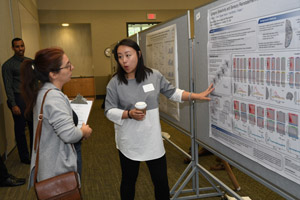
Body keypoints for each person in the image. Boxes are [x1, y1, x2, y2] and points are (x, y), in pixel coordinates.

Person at [105, 39, 214, 200]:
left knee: (161, 182)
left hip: (152, 140)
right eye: (120, 57)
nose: (124, 61)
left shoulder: (153, 75)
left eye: (128, 55)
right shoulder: (115, 83)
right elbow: (109, 111)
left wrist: (195, 96)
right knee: (129, 181)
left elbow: (172, 92)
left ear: (139, 54)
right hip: (129, 142)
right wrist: (128, 114)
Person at [20, 47, 92, 187]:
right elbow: (69, 135)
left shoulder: (44, 91)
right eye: (68, 65)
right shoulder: (53, 97)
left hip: (49, 162)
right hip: (57, 167)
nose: (73, 67)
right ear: (53, 74)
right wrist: (84, 131)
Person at [1, 38, 33, 164]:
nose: (20, 49)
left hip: (30, 98)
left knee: (33, 128)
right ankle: (24, 157)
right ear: (13, 48)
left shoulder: (30, 62)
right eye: (17, 46)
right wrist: (13, 104)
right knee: (20, 130)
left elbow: (34, 81)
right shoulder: (7, 65)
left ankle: (35, 154)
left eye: (22, 46)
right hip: (17, 98)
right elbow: (7, 86)